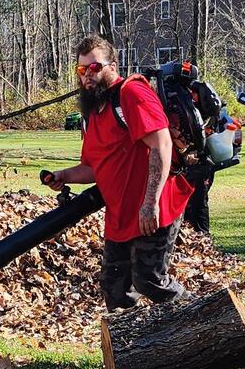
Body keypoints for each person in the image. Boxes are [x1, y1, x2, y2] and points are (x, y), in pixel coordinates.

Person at [43, 35, 192, 310]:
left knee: (150, 280)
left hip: (154, 208)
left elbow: (162, 144)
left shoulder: (131, 94)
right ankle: (133, 339)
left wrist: (150, 203)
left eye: (94, 67)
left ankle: (204, 316)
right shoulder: (92, 114)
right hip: (120, 216)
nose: (87, 75)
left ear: (112, 67)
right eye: (81, 69)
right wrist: (64, 175)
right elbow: (93, 167)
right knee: (115, 291)